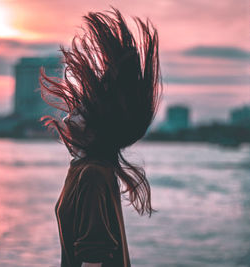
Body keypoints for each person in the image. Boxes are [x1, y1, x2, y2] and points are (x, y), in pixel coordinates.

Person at [39, 6, 162, 267]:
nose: (70, 114)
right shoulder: (84, 169)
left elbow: (94, 257)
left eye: (81, 110)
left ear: (94, 129)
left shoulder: (92, 174)